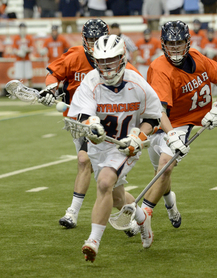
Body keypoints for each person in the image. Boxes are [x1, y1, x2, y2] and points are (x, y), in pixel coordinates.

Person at [67, 34, 176, 262]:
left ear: (123, 58)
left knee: (104, 182)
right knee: (116, 198)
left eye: (112, 60)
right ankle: (141, 217)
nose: (106, 66)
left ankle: (93, 241)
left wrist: (138, 136)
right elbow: (82, 114)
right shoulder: (90, 81)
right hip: (100, 146)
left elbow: (153, 117)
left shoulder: (136, 83)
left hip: (125, 146)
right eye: (102, 60)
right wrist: (92, 124)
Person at [38, 19, 142, 237]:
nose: (95, 44)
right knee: (91, 168)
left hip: (111, 125)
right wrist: (50, 88)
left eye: (98, 39)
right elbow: (53, 73)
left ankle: (135, 216)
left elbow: (139, 88)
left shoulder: (118, 62)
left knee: (110, 187)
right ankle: (76, 212)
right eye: (91, 39)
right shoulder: (75, 56)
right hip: (81, 121)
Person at [140, 20, 217, 230]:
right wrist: (170, 135)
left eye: (179, 42)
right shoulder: (159, 68)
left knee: (166, 165)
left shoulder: (198, 58)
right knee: (160, 173)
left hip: (183, 122)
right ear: (163, 44)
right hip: (159, 121)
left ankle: (144, 215)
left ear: (187, 42)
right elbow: (159, 111)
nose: (175, 48)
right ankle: (171, 204)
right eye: (171, 44)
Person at [12, 23, 34, 87]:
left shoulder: (29, 37)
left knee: (29, 76)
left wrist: (27, 50)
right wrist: (19, 52)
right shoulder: (16, 38)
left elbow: (32, 48)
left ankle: (31, 91)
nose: (22, 30)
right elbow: (14, 49)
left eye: (23, 28)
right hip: (19, 59)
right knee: (17, 77)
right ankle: (16, 92)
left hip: (27, 59)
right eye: (21, 28)